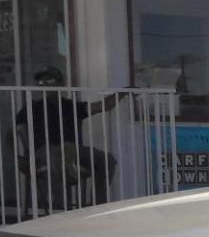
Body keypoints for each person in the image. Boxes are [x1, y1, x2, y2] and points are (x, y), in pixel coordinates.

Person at [14, 68, 128, 210]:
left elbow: (102, 106)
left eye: (49, 80)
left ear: (60, 84)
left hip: (74, 152)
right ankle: (60, 209)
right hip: (45, 154)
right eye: (41, 81)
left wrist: (125, 92)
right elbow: (12, 133)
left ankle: (98, 207)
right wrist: (18, 157)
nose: (44, 84)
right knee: (57, 155)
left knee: (107, 160)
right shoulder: (32, 108)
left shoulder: (71, 106)